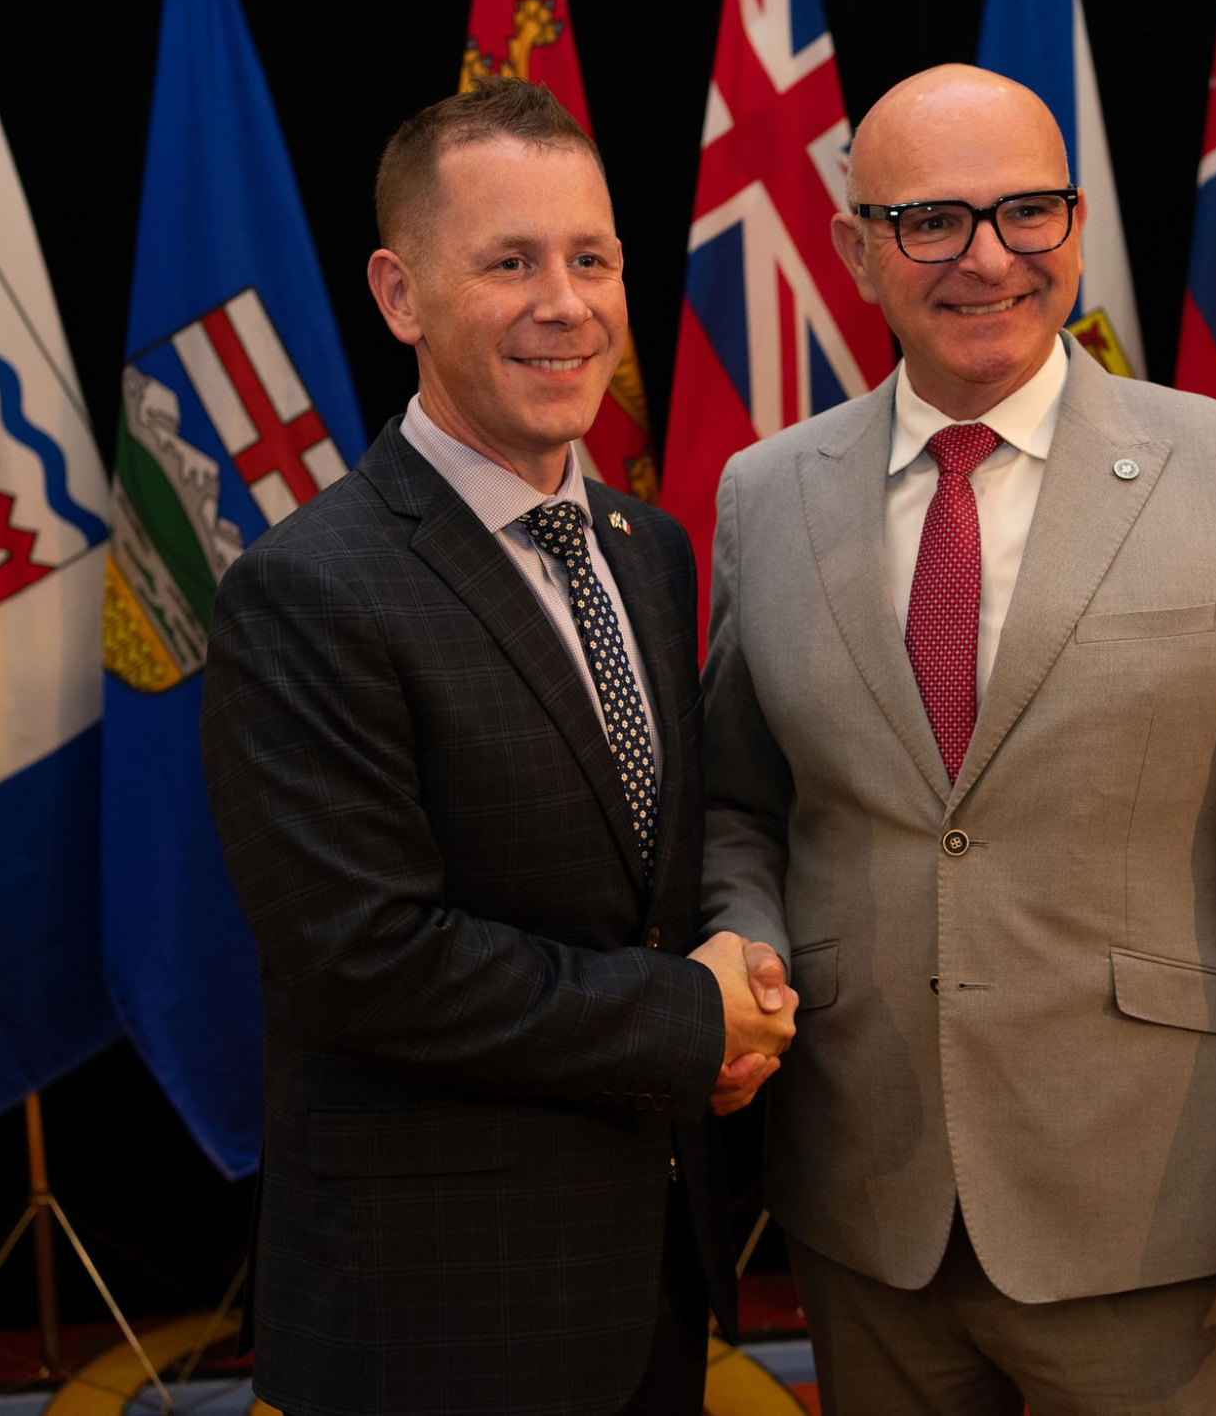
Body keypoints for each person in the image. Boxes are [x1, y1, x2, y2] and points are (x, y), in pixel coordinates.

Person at [699, 63, 1216, 1414]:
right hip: (867, 1208)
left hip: (1145, 1208)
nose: (990, 259)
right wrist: (747, 947)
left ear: (1076, 227)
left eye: (1030, 212)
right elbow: (740, 807)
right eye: (934, 223)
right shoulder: (766, 496)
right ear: (858, 249)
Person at [200, 79, 794, 1416]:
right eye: (509, 262)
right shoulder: (309, 590)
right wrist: (690, 1018)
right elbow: (369, 963)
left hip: (649, 1276)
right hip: (439, 1315)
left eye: (591, 259)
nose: (564, 302)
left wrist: (743, 970)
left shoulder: (651, 551)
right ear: (402, 296)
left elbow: (658, 878)